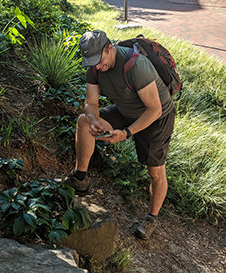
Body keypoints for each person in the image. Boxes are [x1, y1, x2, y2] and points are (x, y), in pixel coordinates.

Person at [65, 30, 176, 240]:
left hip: (156, 117)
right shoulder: (94, 67)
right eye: (91, 63)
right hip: (125, 110)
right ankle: (80, 178)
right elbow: (90, 103)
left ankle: (151, 218)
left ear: (109, 48)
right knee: (83, 122)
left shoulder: (136, 66)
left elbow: (154, 110)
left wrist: (126, 133)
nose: (97, 66)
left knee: (155, 171)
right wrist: (94, 119)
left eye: (99, 60)